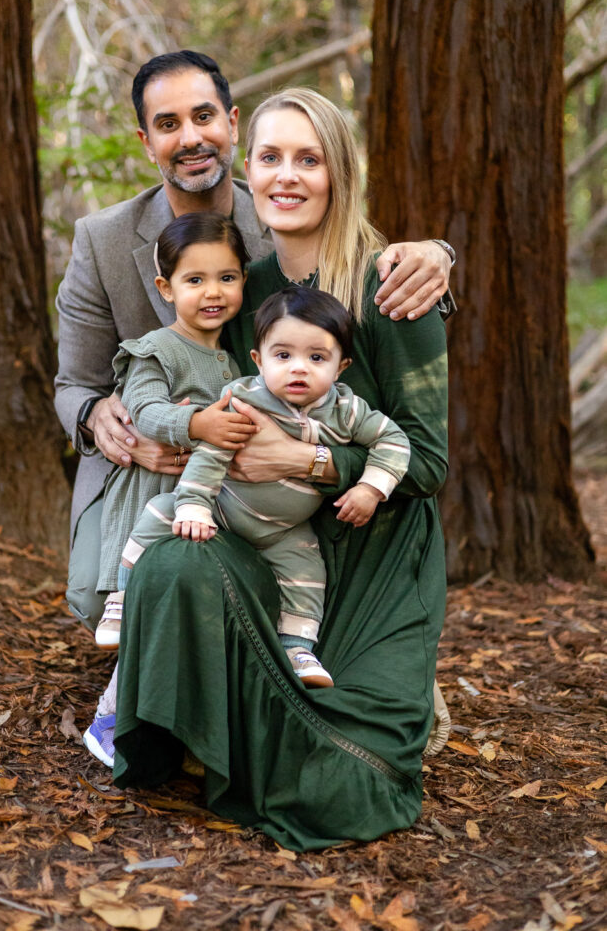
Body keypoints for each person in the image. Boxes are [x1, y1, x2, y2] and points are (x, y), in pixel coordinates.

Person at [111, 89, 449, 851]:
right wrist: (134, 420)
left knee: (353, 781)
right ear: (247, 170)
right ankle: (177, 728)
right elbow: (179, 374)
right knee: (170, 562)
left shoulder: (391, 287)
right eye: (270, 157)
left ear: (340, 172)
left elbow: (427, 461)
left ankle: (293, 718)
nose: (286, 175)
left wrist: (309, 459)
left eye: (309, 158)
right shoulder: (244, 286)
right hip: (263, 534)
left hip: (374, 555)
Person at [54, 51, 456, 633]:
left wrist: (439, 254)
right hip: (144, 457)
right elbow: (73, 384)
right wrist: (100, 418)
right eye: (168, 125)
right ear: (146, 142)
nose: (190, 137)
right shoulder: (102, 241)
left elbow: (356, 267)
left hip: (268, 460)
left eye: (203, 117)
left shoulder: (276, 216)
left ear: (232, 124)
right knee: (108, 599)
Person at [109, 286, 410, 690]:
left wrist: (371, 488)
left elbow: (394, 440)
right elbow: (212, 453)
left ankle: (297, 646)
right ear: (258, 359)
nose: (298, 368)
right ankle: (122, 599)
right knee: (159, 512)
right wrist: (195, 504)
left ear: (341, 367)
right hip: (224, 508)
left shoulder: (346, 410)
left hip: (286, 529)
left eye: (317, 357)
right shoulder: (246, 400)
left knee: (306, 571)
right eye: (283, 356)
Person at [92, 211, 253, 647]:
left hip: (202, 495)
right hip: (151, 483)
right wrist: (197, 423)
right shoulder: (155, 350)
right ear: (167, 288)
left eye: (227, 277)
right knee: (145, 575)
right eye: (195, 280)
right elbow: (143, 411)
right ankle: (120, 600)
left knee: (189, 598)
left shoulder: (238, 362)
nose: (213, 292)